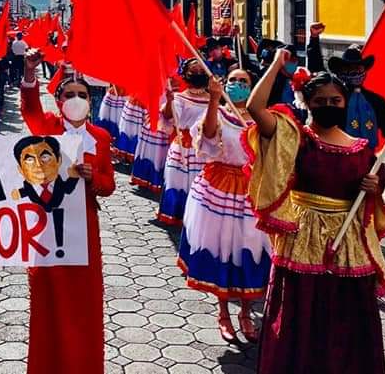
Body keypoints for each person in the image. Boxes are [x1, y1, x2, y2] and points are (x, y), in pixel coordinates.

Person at [246, 51, 385, 374]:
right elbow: (255, 108)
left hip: (348, 245)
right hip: (303, 238)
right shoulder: (296, 137)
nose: (329, 106)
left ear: (345, 104)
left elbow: (371, 199)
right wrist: (276, 65)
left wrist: (373, 188)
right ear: (306, 101)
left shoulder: (362, 148)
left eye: (336, 101)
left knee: (347, 316)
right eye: (321, 101)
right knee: (301, 314)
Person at [19, 50, 115, 374]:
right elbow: (30, 109)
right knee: (47, 303)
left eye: (83, 95)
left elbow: (109, 185)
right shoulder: (47, 129)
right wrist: (29, 74)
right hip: (46, 228)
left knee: (84, 304)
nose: (76, 99)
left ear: (91, 100)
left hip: (84, 230)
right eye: (70, 94)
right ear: (59, 101)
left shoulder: (100, 137)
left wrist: (94, 178)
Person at [178, 71, 270, 343]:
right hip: (217, 189)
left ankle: (245, 310)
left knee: (248, 250)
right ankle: (222, 313)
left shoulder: (263, 119)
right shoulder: (217, 112)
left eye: (245, 82)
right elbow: (206, 137)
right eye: (234, 80)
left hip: (251, 191)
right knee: (220, 249)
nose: (238, 85)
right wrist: (214, 99)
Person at [309, 44, 385, 151]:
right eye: (349, 69)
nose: (354, 72)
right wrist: (314, 39)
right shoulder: (334, 100)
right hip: (335, 156)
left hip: (367, 161)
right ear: (340, 72)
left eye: (358, 69)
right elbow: (316, 74)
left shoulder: (376, 101)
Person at [157, 59, 210, 226]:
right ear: (186, 74)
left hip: (203, 147)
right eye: (194, 71)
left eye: (201, 70)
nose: (198, 73)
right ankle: (174, 214)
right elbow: (169, 117)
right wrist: (170, 101)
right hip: (182, 146)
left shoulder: (215, 99)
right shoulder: (179, 97)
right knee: (177, 181)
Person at [114, 97, 146, 164]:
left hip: (139, 104)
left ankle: (129, 156)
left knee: (133, 130)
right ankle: (126, 156)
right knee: (130, 130)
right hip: (136, 103)